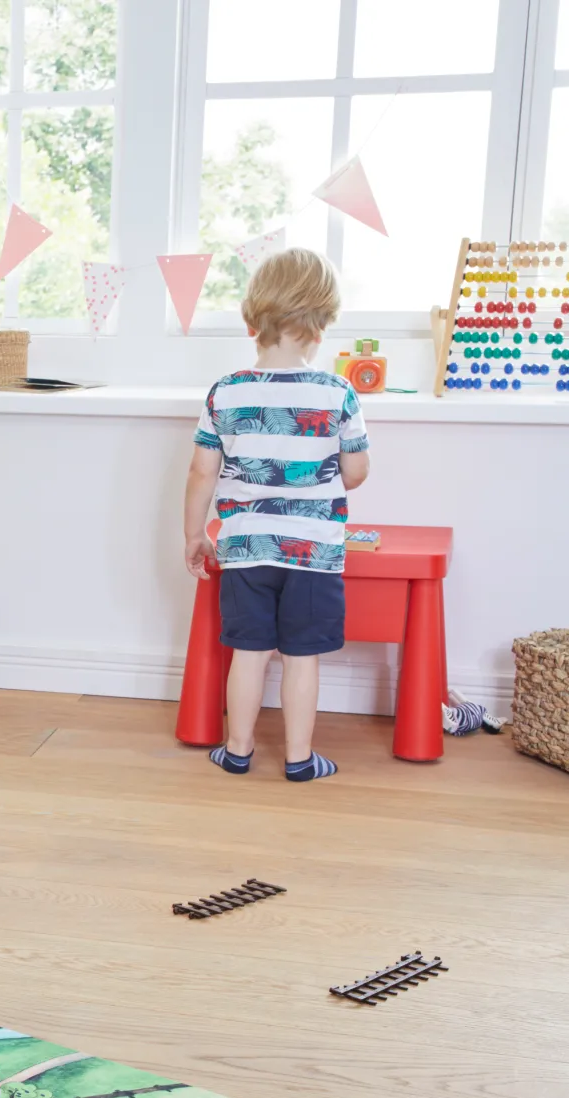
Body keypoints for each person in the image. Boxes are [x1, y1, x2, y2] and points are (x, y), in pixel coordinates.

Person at [183, 247, 371, 782]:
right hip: (313, 553)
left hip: (245, 549)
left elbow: (201, 473)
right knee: (301, 658)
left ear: (251, 323)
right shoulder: (337, 392)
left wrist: (195, 535)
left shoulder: (227, 392)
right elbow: (355, 473)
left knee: (249, 652)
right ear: (321, 326)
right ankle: (299, 759)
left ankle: (237, 750)